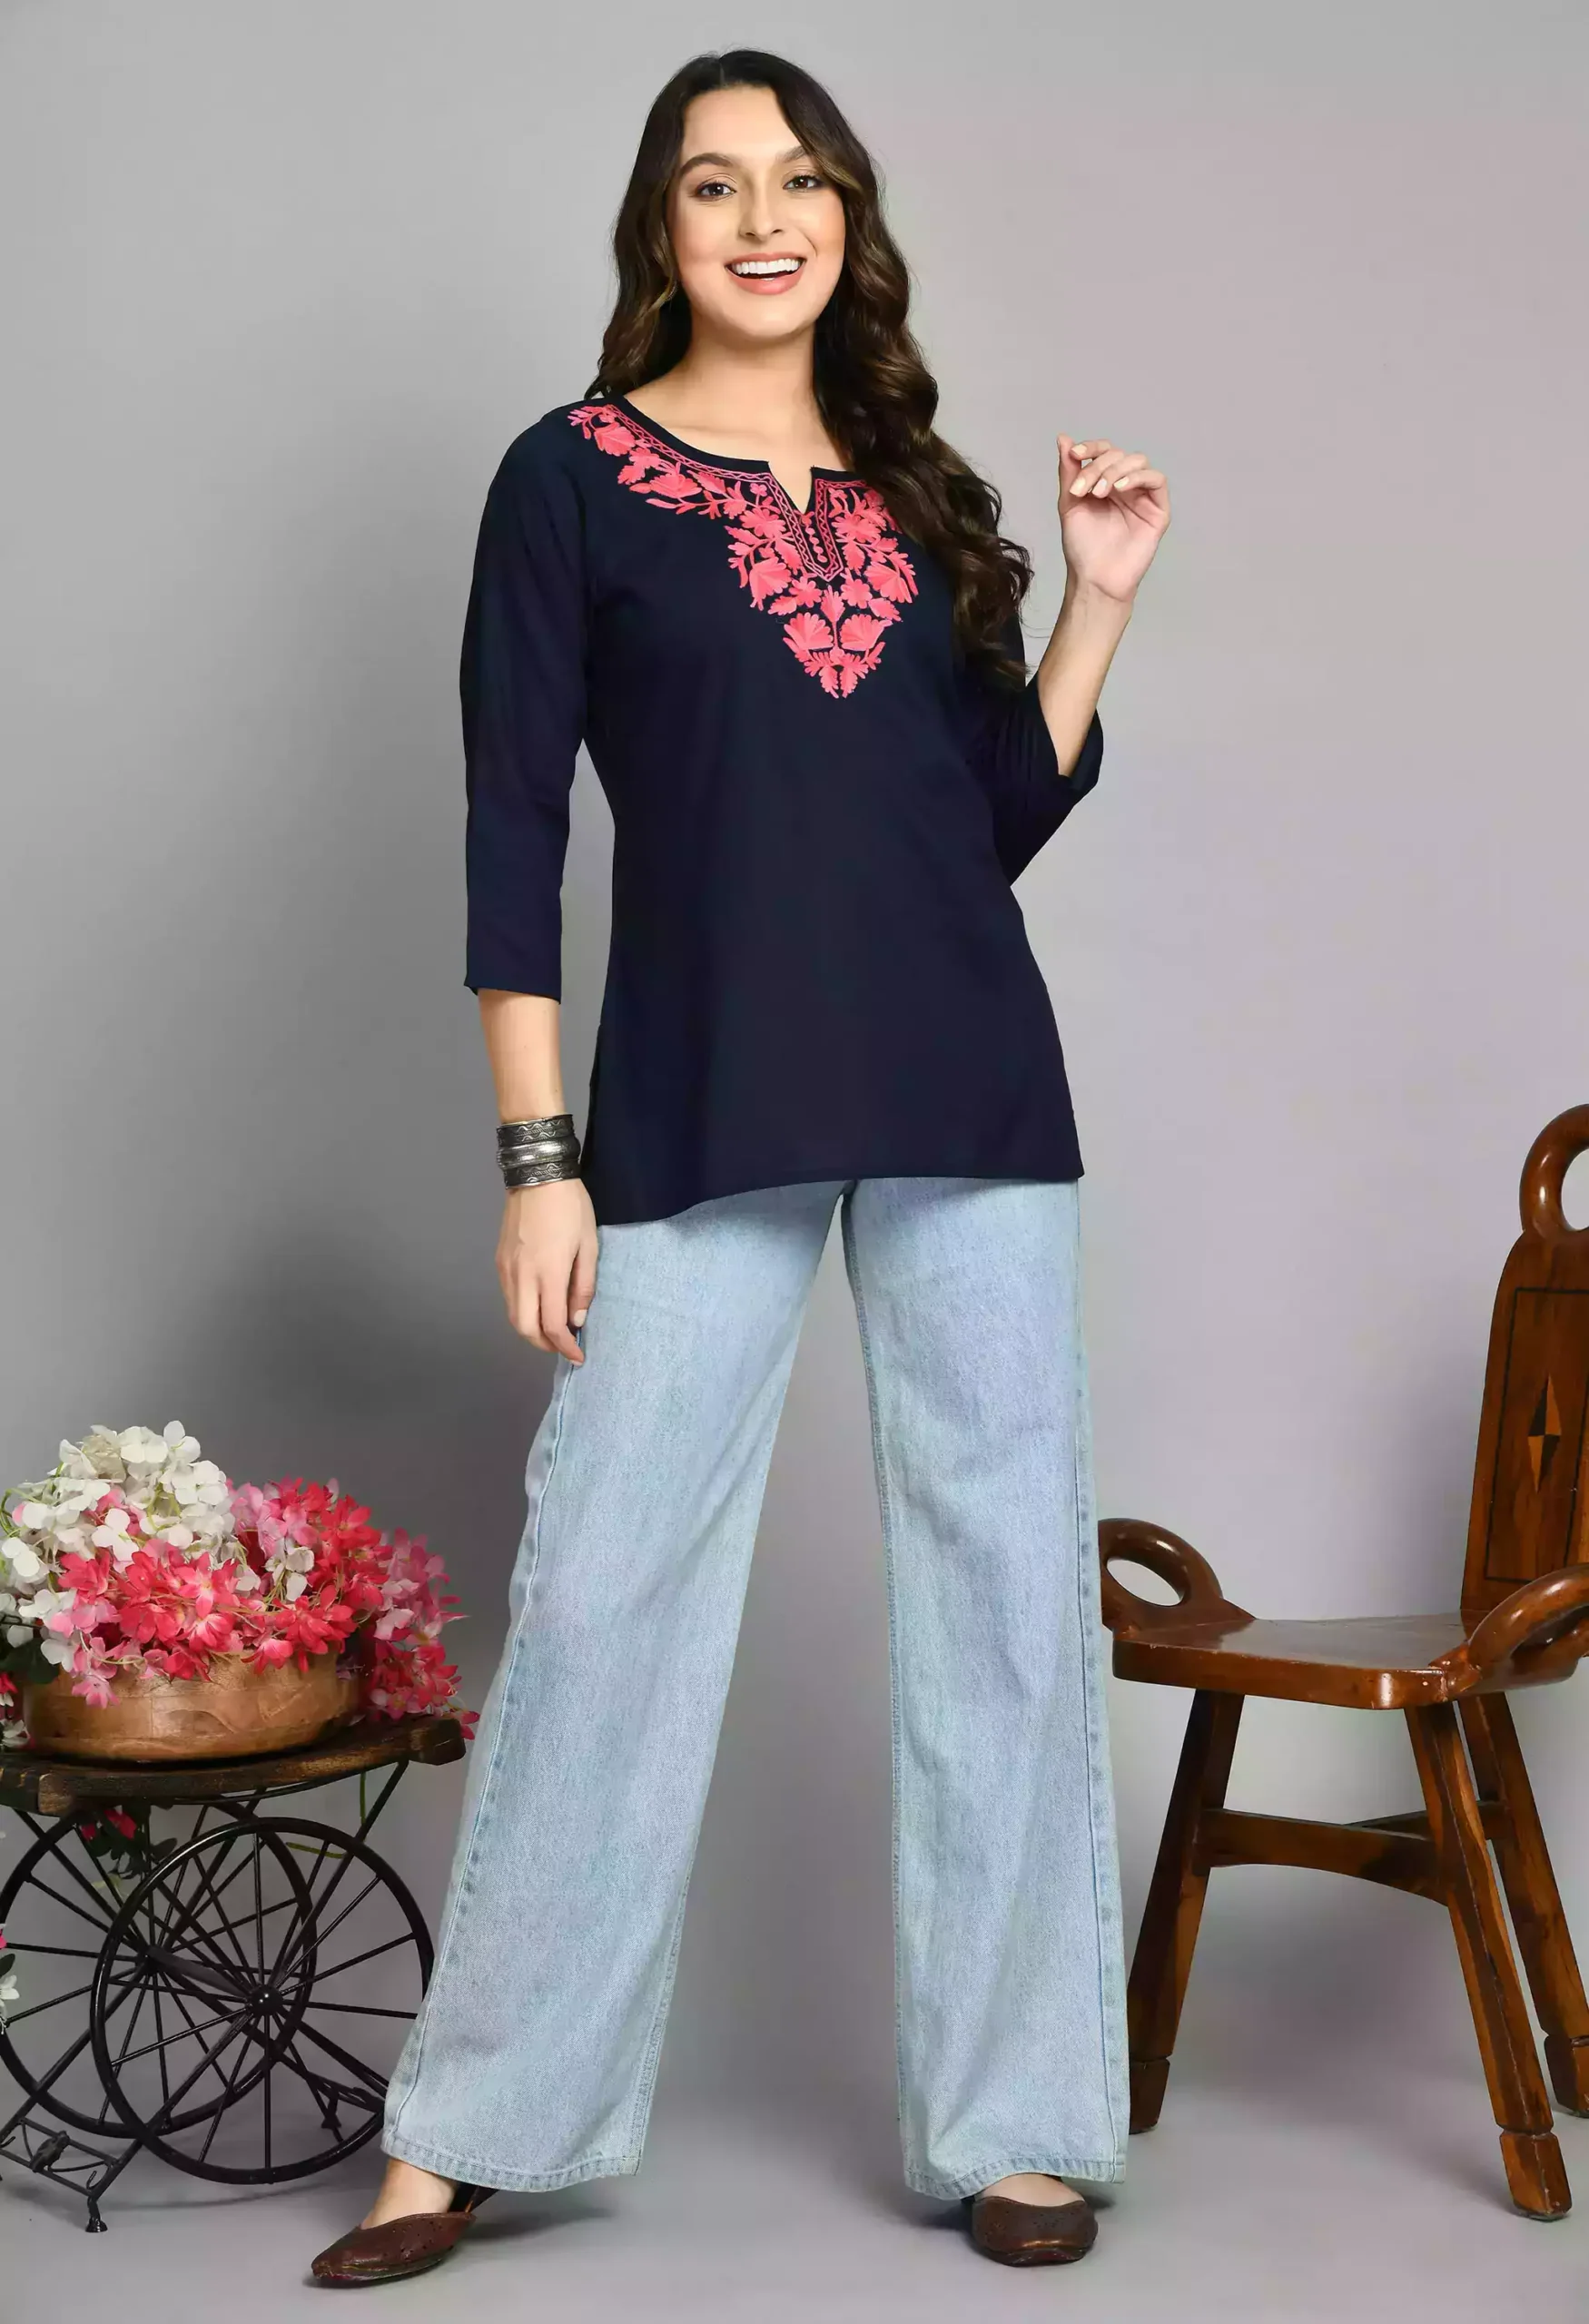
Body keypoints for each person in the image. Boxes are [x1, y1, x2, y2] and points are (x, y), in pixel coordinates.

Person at [310, 46, 1170, 2287]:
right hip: (696, 1097)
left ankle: (1018, 2117)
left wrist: (1092, 599)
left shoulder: (912, 489)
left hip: (970, 1086)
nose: (761, 218)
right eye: (713, 185)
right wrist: (539, 1154)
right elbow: (512, 827)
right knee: (605, 1590)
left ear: (844, 217)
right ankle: (475, 2118)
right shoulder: (569, 477)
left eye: (796, 181)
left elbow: (980, 819)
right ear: (660, 229)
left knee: (1001, 1597)